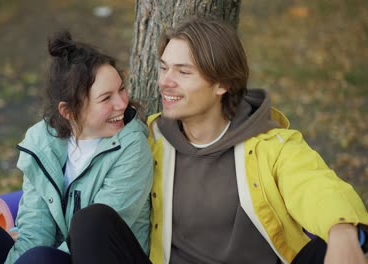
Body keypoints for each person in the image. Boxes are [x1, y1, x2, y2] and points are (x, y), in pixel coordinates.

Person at [60, 16, 368, 264]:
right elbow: (87, 166)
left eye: (183, 72)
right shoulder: (149, 140)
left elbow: (315, 186)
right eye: (164, 68)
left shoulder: (269, 145)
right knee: (92, 222)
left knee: (344, 241)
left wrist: (342, 230)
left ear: (222, 83)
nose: (165, 82)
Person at [0, 30, 153, 264]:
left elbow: (94, 239)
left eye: (121, 89)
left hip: (103, 257)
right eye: (106, 98)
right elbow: (34, 232)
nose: (122, 103)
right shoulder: (42, 143)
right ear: (69, 112)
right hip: (47, 258)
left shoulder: (132, 148)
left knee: (41, 257)